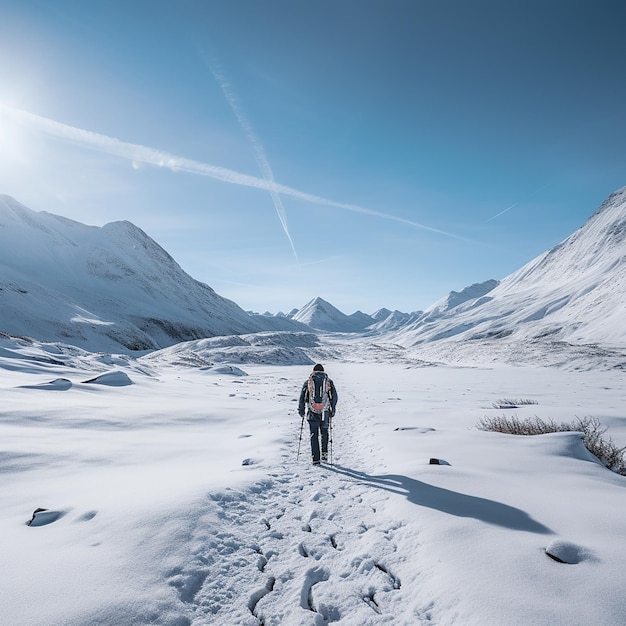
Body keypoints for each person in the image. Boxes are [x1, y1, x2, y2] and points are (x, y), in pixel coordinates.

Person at [298, 364, 338, 465]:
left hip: (312, 412)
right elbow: (334, 396)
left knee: (313, 434)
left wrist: (301, 410)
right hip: (325, 411)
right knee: (324, 432)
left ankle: (315, 458)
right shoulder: (328, 381)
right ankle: (324, 455)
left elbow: (302, 397)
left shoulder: (308, 382)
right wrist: (333, 408)